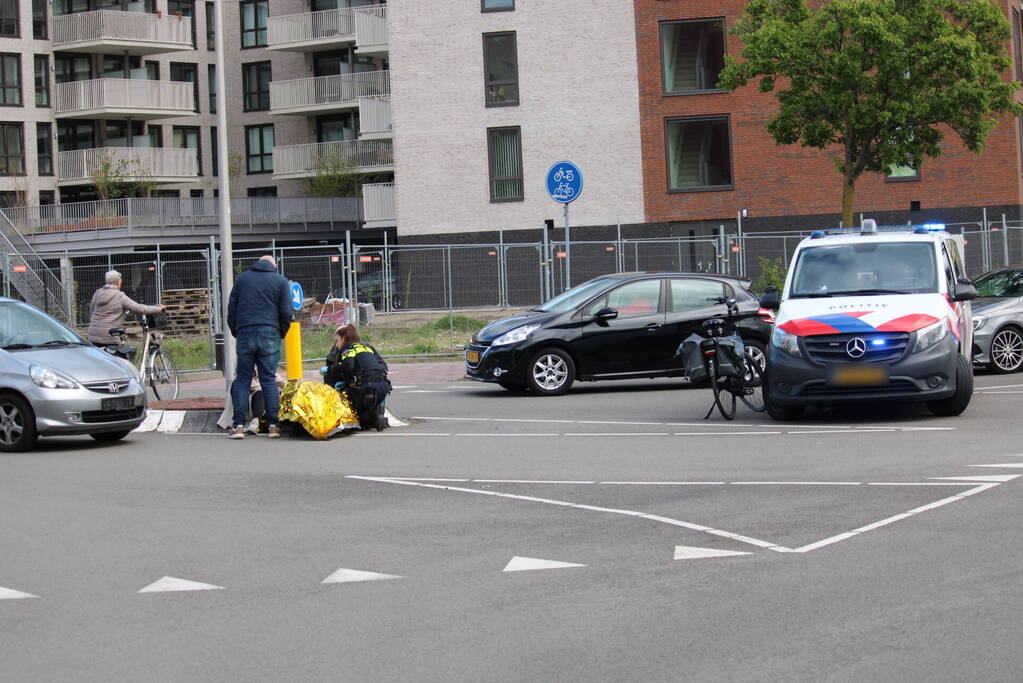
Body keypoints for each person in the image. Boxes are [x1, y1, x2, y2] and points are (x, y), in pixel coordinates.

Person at [226, 255, 292, 440]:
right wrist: (281, 333)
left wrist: (237, 331)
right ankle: (273, 426)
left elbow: (232, 309)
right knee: (268, 379)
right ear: (274, 265)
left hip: (245, 332)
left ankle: (238, 426)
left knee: (243, 379)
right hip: (270, 332)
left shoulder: (242, 279)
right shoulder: (280, 281)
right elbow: (286, 312)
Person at [322, 324, 391, 431]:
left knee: (354, 407)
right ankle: (378, 409)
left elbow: (348, 366)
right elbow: (382, 366)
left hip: (365, 387)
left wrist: (330, 369)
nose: (336, 344)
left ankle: (366, 416)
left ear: (344, 338)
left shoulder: (347, 349)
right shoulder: (366, 347)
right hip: (383, 386)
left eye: (337, 340)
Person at [87, 270, 165, 347]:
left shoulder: (97, 294)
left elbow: (92, 311)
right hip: (109, 337)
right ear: (117, 282)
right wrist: (158, 309)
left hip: (92, 336)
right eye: (120, 280)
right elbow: (139, 309)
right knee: (120, 357)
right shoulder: (119, 296)